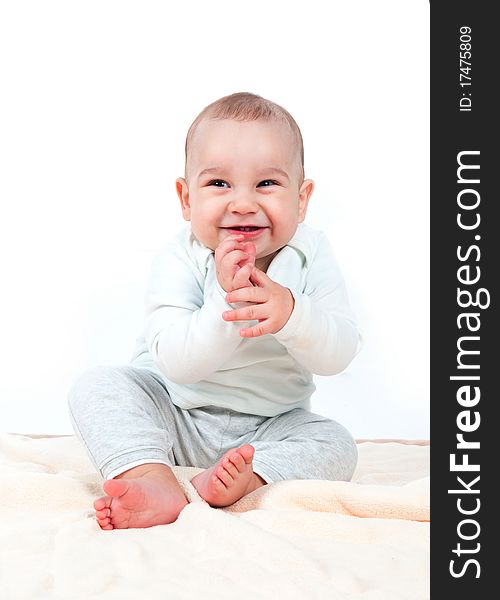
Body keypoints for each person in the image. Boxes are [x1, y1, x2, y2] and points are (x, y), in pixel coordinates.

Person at [68, 91, 362, 530]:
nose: (243, 203)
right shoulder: (181, 258)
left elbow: (338, 353)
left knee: (336, 442)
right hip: (174, 412)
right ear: (186, 198)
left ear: (302, 199)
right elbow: (177, 364)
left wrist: (293, 315)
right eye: (219, 184)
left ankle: (248, 477)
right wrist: (227, 302)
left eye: (267, 183)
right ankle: (151, 474)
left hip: (269, 428)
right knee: (99, 386)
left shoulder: (310, 255)